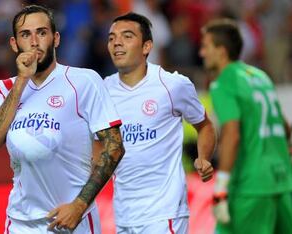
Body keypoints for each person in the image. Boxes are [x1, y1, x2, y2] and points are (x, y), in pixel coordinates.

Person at [0, 5, 125, 234]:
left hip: (73, 221)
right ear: (14, 43)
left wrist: (79, 205)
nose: (34, 41)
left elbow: (115, 147)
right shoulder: (5, 88)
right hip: (20, 223)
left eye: (41, 32)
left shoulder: (84, 81)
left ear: (55, 39)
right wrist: (22, 80)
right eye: (25, 34)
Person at [95, 12, 216, 233]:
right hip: (123, 215)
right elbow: (97, 148)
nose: (117, 43)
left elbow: (205, 126)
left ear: (146, 46)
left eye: (127, 36)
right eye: (111, 38)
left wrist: (204, 157)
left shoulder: (173, 85)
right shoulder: (101, 90)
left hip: (164, 214)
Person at [200, 18, 292, 234]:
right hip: (282, 181)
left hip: (250, 187)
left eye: (205, 46)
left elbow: (232, 133)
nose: (202, 53)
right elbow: (285, 127)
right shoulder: (260, 77)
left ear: (221, 51)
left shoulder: (224, 82)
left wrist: (221, 186)